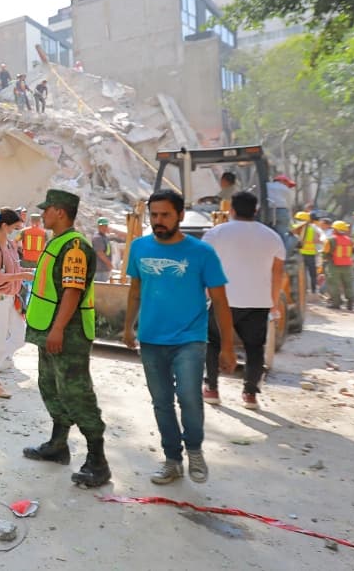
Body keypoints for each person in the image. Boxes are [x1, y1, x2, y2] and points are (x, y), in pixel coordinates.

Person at [124, 189, 234, 485]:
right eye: (154, 215)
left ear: (180, 216)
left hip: (190, 339)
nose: (158, 221)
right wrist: (127, 327)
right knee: (161, 402)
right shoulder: (139, 247)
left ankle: (194, 449)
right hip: (150, 339)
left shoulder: (202, 253)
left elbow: (221, 302)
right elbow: (135, 290)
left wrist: (227, 347)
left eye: (165, 215)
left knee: (189, 397)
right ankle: (172, 459)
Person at [22, 189, 111, 487]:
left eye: (47, 209)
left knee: (76, 392)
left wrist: (58, 329)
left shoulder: (74, 246)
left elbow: (72, 291)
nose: (43, 214)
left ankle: (98, 461)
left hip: (66, 334)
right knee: (50, 385)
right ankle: (58, 445)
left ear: (60, 212)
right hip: (49, 329)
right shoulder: (58, 242)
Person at [202, 192, 285, 410]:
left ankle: (211, 388)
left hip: (223, 301)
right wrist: (273, 303)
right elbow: (278, 274)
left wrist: (204, 293)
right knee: (254, 347)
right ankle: (250, 394)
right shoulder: (272, 237)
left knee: (213, 342)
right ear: (255, 210)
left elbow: (203, 266)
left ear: (231, 210)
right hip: (258, 303)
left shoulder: (216, 233)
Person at [0, 208, 33, 399]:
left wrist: (31, 271)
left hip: (11, 298)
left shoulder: (10, 245)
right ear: (4, 226)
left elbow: (15, 266)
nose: (16, 231)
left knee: (19, 337)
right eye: (14, 227)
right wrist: (21, 275)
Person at [324, 220, 354, 310]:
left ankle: (336, 303)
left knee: (334, 284)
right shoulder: (350, 240)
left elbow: (325, 253)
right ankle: (350, 304)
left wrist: (325, 260)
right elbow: (351, 252)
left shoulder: (331, 239)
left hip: (334, 265)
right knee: (348, 284)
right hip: (348, 266)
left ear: (335, 229)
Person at [292, 211, 320, 293]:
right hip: (310, 254)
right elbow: (316, 240)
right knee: (312, 273)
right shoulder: (312, 229)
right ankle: (313, 290)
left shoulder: (294, 227)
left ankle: (301, 290)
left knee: (299, 273)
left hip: (299, 253)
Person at [92, 217, 125, 282]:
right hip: (100, 269)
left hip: (104, 269)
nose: (104, 228)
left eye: (105, 226)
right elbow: (100, 253)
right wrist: (109, 264)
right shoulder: (97, 238)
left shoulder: (104, 237)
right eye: (102, 226)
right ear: (98, 227)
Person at [265, 173, 295, 242]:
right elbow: (289, 203)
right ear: (283, 181)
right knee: (283, 235)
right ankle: (285, 251)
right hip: (282, 211)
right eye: (288, 183)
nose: (288, 186)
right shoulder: (286, 189)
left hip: (267, 211)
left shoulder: (267, 185)